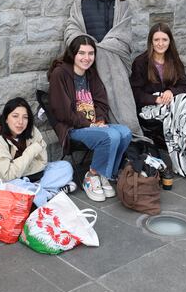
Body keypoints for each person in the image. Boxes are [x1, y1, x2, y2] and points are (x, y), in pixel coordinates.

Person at [64, 0, 145, 140]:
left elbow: (124, 34)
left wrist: (107, 47)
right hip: (90, 62)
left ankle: (129, 139)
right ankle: (106, 139)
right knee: (98, 102)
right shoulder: (82, 1)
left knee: (124, 106)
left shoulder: (122, 2)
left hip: (116, 62)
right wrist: (89, 46)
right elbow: (72, 27)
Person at [47, 35, 132, 202]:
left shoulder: (90, 73)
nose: (87, 58)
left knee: (125, 132)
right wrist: (89, 124)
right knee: (111, 136)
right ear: (73, 54)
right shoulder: (60, 74)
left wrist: (99, 120)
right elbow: (62, 112)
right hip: (73, 129)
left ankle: (105, 174)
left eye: (91, 53)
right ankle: (91, 176)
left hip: (93, 126)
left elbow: (101, 101)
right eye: (82, 53)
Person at [130, 23, 186, 180]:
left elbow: (184, 85)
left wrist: (170, 92)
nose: (160, 43)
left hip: (172, 104)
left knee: (184, 100)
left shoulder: (173, 60)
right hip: (149, 108)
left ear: (169, 41)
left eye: (164, 39)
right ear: (151, 42)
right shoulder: (141, 62)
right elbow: (136, 93)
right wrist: (156, 98)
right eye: (156, 39)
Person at [0, 97, 75, 207]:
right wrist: (31, 151)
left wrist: (20, 171)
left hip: (29, 176)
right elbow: (7, 175)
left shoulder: (31, 130)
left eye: (25, 117)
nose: (20, 122)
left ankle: (36, 193)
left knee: (65, 167)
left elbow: (42, 162)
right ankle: (48, 193)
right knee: (17, 185)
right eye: (15, 116)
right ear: (6, 118)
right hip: (0, 181)